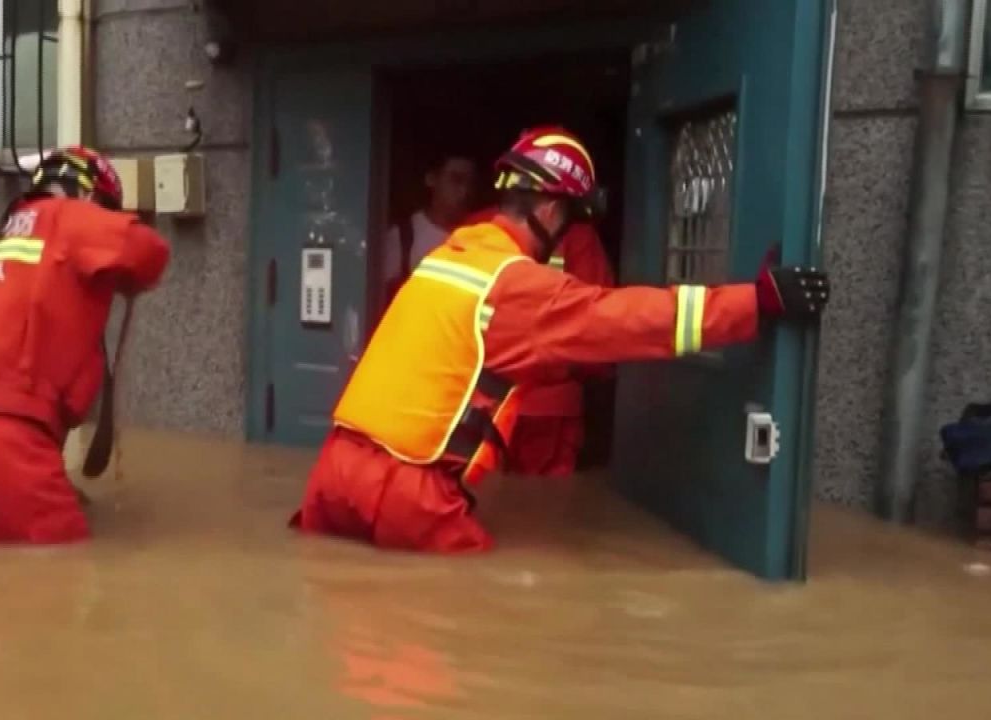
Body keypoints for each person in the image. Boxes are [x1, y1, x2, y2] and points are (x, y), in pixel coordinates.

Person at [290, 126, 830, 553]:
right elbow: (634, 319)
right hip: (406, 494)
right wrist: (756, 302)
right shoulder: (515, 285)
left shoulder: (447, 256)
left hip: (332, 473)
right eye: (570, 215)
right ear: (550, 210)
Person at [0, 146, 170, 544]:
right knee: (60, 577)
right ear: (90, 196)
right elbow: (150, 252)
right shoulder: (70, 217)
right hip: (4, 441)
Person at [462, 204, 616, 478]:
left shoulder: (474, 229)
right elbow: (598, 328)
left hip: (480, 402)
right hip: (550, 403)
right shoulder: (578, 233)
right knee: (546, 508)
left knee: (478, 504)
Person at [383, 149, 477, 301]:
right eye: (456, 180)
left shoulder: (479, 237)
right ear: (431, 179)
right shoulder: (404, 236)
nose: (464, 191)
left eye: (470, 183)